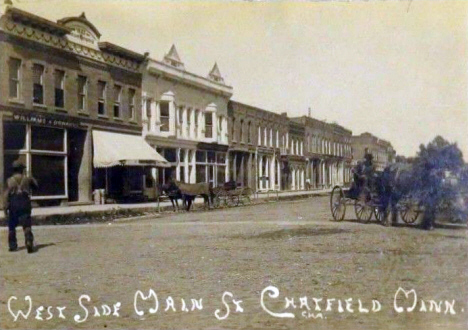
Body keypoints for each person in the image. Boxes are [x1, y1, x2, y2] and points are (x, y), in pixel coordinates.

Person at [4, 160, 38, 253]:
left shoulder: (9, 180)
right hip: (24, 202)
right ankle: (28, 241)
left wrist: (5, 207)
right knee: (26, 224)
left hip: (13, 204)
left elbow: (6, 195)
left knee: (12, 226)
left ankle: (13, 245)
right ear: (21, 169)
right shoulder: (27, 179)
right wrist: (30, 177)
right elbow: (36, 186)